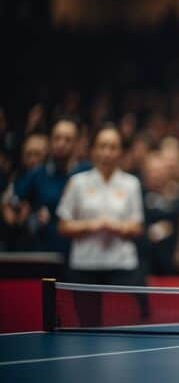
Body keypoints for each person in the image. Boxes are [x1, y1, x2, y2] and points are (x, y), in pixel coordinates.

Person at [56, 125, 145, 325]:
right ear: (93, 150)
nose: (107, 152)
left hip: (121, 267)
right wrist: (92, 225)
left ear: (120, 151)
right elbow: (63, 226)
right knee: (87, 327)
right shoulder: (77, 183)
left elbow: (138, 227)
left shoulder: (131, 184)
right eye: (102, 146)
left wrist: (118, 226)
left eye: (113, 147)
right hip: (84, 267)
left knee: (123, 330)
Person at [10, 118, 89, 255]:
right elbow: (12, 200)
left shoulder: (86, 173)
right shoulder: (37, 174)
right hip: (45, 252)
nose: (61, 144)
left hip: (80, 254)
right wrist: (31, 217)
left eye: (67, 139)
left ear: (76, 143)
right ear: (50, 141)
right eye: (57, 138)